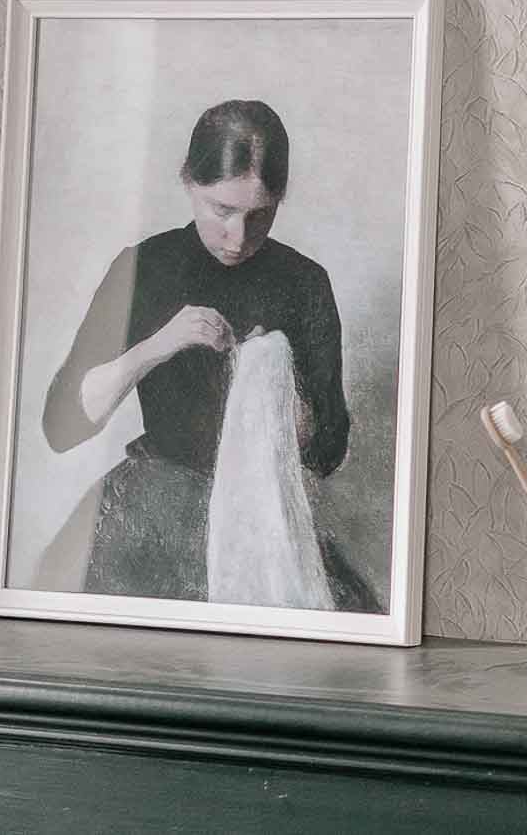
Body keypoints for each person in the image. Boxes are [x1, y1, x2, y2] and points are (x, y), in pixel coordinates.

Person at [43, 97, 373, 606]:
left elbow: (329, 451)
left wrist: (283, 393)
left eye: (260, 215)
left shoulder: (304, 282)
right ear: (189, 184)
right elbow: (62, 427)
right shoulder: (146, 268)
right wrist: (159, 345)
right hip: (156, 505)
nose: (238, 237)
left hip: (265, 516)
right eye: (222, 210)